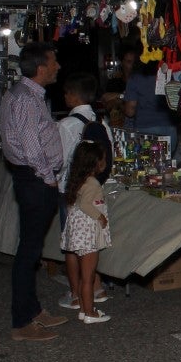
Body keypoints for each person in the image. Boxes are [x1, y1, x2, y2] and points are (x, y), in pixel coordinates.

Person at [0, 41, 67, 341]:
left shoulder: (27, 94)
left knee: (32, 247)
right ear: (41, 69)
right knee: (28, 251)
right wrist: (47, 177)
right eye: (54, 62)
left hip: (32, 178)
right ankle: (22, 322)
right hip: (35, 179)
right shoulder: (26, 98)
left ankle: (33, 309)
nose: (58, 67)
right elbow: (31, 145)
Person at [57, 73, 113, 311]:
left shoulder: (66, 125)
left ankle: (76, 293)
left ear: (72, 96)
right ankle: (95, 286)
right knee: (92, 246)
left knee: (72, 245)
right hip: (96, 192)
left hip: (71, 192)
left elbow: (58, 161)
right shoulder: (102, 124)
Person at [61, 141, 112, 324]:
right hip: (88, 234)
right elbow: (85, 205)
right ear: (96, 162)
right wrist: (100, 217)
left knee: (84, 276)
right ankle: (90, 312)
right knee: (89, 277)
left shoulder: (77, 181)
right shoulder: (92, 183)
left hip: (80, 233)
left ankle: (84, 309)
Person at [123, 59, 180, 154]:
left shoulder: (135, 78)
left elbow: (130, 111)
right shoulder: (168, 75)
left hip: (145, 131)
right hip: (170, 130)